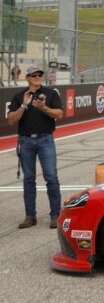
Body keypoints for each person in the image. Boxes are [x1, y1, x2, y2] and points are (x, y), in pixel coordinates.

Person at [6, 66, 63, 229]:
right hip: (25, 141)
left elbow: (59, 114)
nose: (38, 77)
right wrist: (24, 105)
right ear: (27, 78)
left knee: (51, 177)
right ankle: (30, 216)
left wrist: (43, 108)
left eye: (40, 75)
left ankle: (55, 215)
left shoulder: (51, 94)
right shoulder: (19, 96)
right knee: (29, 179)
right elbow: (11, 120)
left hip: (46, 139)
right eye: (34, 75)